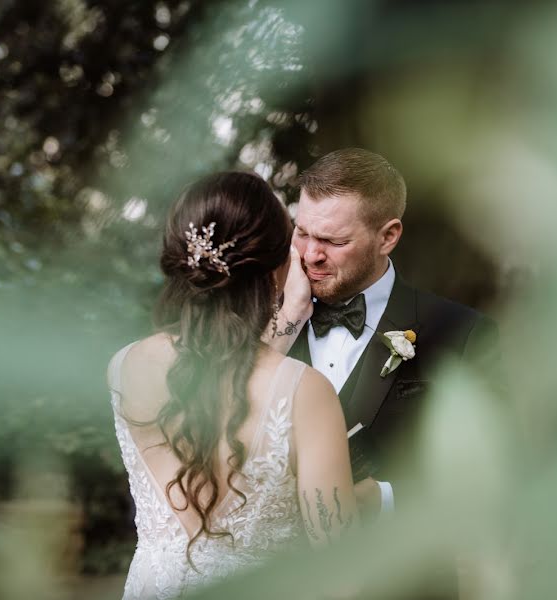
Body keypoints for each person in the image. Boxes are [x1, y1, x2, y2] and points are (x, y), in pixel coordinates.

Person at [106, 172, 357, 599]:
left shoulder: (125, 367)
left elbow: (220, 368)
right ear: (280, 267)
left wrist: (288, 314)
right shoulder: (305, 393)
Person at [265, 147, 500, 520]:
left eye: (333, 241)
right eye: (302, 232)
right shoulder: (262, 327)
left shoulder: (462, 334)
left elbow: (499, 477)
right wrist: (289, 315)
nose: (310, 255)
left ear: (388, 237)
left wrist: (387, 499)